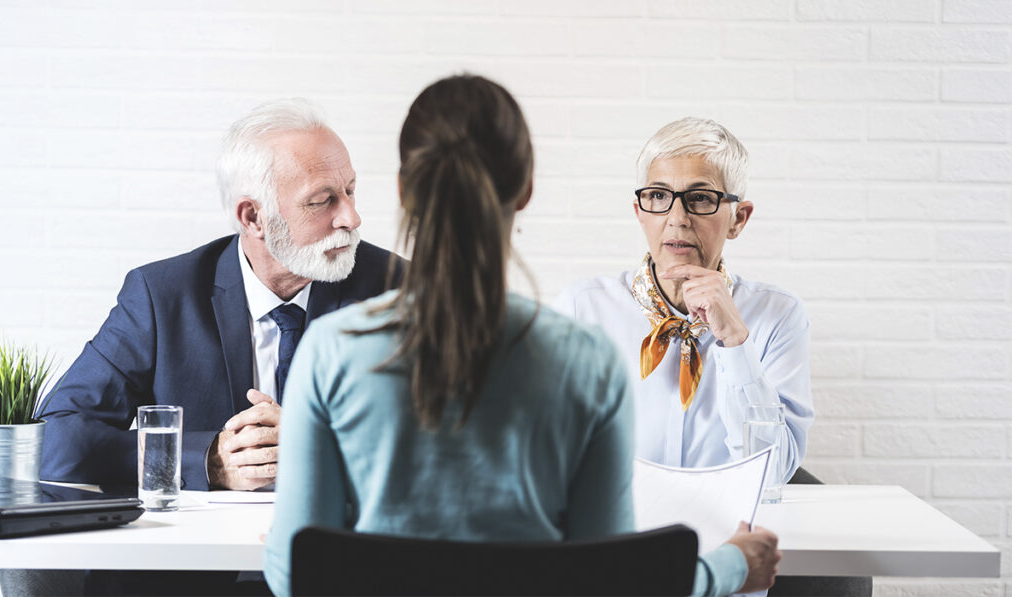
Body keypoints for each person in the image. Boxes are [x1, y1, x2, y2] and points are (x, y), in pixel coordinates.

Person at [263, 75, 780, 597]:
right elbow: (615, 581)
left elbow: (293, 574)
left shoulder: (329, 352)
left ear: (404, 189)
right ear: (526, 189)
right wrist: (733, 565)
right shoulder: (587, 363)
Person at [29, 97, 400, 596]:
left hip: (342, 575)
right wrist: (209, 461)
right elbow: (59, 438)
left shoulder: (397, 289)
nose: (351, 218)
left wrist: (319, 445)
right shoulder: (161, 295)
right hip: (184, 580)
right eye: (323, 200)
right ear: (253, 218)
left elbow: (455, 439)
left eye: (351, 191)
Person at [554, 117, 814, 480]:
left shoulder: (778, 315)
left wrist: (736, 344)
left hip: (731, 530)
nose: (677, 219)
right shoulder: (582, 310)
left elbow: (769, 475)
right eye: (658, 196)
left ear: (738, 218)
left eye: (700, 198)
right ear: (639, 212)